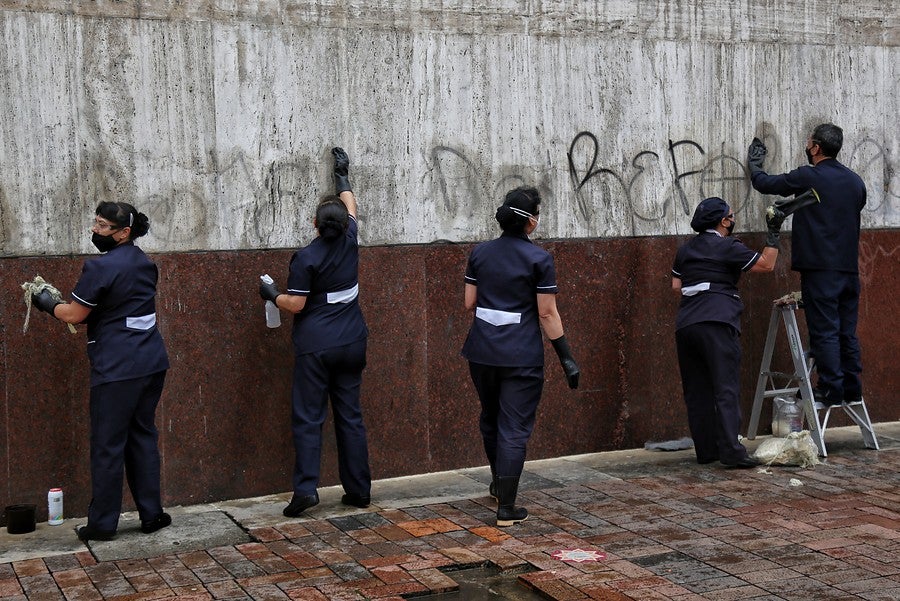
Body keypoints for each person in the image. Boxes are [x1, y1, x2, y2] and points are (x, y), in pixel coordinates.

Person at [31, 202, 171, 541]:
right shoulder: (144, 263)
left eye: (104, 226)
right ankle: (151, 515)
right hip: (151, 363)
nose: (95, 230)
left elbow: (74, 315)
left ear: (123, 233)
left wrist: (45, 300)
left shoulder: (99, 268)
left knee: (108, 446)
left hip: (117, 369)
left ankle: (103, 524)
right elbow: (121, 306)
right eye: (95, 222)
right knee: (142, 437)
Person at [259, 147, 371, 517]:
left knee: (309, 418)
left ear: (313, 224)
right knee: (350, 415)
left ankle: (306, 490)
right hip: (353, 341)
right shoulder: (352, 240)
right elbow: (352, 207)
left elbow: (297, 305)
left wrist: (272, 294)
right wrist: (342, 176)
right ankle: (358, 489)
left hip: (316, 348)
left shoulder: (306, 258)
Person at [461, 187, 580, 527]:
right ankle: (507, 508)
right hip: (521, 356)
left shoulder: (480, 253)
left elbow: (470, 303)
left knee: (491, 418)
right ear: (530, 221)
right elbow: (547, 314)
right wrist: (567, 358)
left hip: (481, 351)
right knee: (514, 427)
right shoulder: (538, 259)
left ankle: (500, 484)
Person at [748, 124, 867, 406]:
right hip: (849, 270)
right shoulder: (855, 181)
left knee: (824, 330)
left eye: (809, 141)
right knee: (845, 332)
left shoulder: (809, 176)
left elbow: (765, 183)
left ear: (815, 148)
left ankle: (829, 389)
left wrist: (755, 164)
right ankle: (852, 388)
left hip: (820, 269)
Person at [671, 197, 784, 468]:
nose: (734, 219)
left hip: (686, 324)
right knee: (725, 388)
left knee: (697, 391)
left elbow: (677, 286)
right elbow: (766, 265)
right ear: (723, 221)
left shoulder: (684, 251)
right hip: (718, 321)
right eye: (731, 215)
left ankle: (707, 451)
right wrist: (774, 233)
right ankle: (732, 453)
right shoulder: (728, 246)